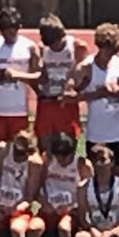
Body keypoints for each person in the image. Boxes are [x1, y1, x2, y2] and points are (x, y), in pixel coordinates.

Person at [0, 8, 40, 148]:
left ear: (19, 27)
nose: (9, 32)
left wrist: (17, 75)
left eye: (13, 28)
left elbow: (38, 76)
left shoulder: (29, 47)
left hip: (19, 110)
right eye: (5, 28)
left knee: (19, 149)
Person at [75, 23, 119, 171]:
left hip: (118, 133)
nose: (109, 55)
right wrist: (98, 93)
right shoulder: (86, 67)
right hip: (96, 133)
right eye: (107, 50)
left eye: (113, 51)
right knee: (96, 174)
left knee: (117, 174)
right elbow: (69, 97)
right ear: (99, 46)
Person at [34, 15, 81, 146]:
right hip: (47, 101)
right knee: (45, 146)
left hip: (66, 104)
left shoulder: (76, 46)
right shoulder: (43, 49)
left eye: (56, 43)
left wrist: (73, 87)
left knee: (67, 145)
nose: (54, 47)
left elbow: (83, 73)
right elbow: (40, 75)